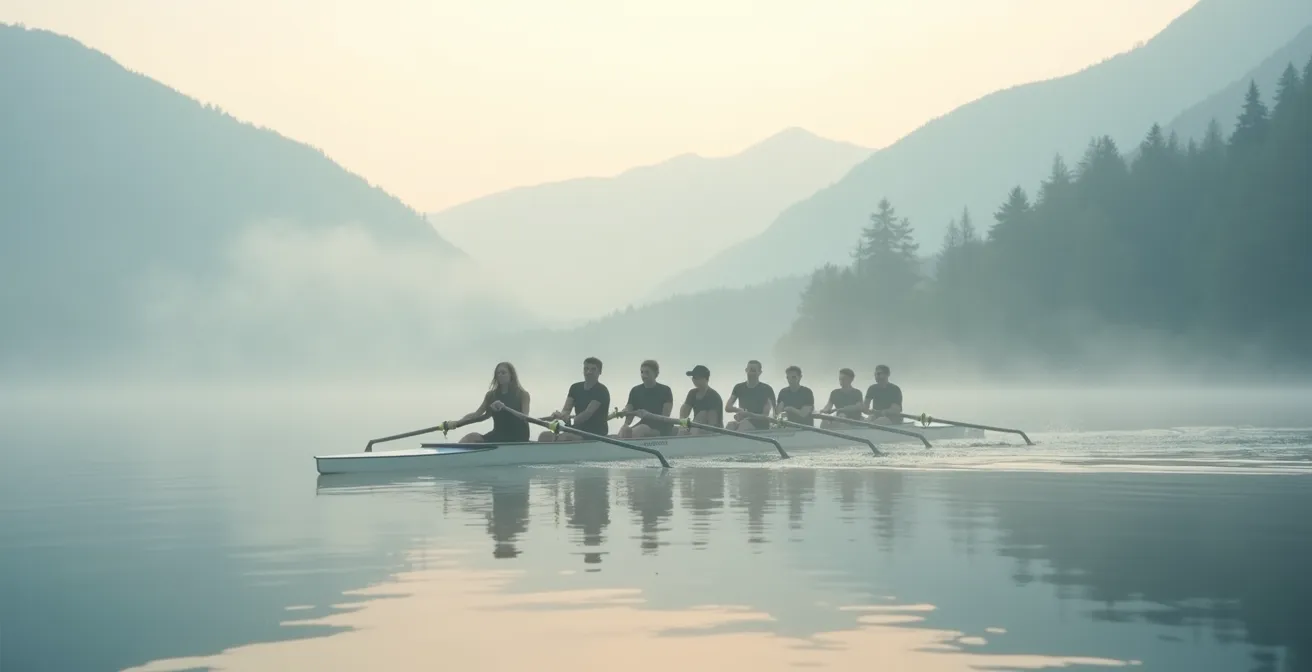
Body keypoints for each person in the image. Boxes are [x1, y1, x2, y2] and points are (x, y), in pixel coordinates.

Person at [456, 362, 531, 443]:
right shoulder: (491, 395)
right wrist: (457, 422)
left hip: (518, 435)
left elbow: (525, 417)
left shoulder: (523, 395)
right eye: (498, 373)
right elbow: (477, 415)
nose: (500, 375)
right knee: (470, 438)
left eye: (503, 373)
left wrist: (505, 408)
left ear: (511, 375)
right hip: (499, 434)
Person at [539, 356, 610, 442]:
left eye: (593, 369)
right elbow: (566, 410)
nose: (588, 372)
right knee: (544, 436)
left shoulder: (601, 390)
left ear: (600, 372)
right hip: (576, 429)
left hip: (594, 433)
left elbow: (586, 414)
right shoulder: (575, 387)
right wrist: (561, 416)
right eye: (586, 369)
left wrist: (568, 421)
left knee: (564, 438)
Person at [618, 359, 675, 438]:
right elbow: (629, 410)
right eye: (642, 372)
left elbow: (665, 417)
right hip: (644, 425)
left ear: (656, 374)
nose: (643, 375)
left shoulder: (665, 390)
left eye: (647, 372)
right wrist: (625, 425)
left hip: (662, 428)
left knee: (641, 429)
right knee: (623, 432)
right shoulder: (635, 390)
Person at [725, 359, 776, 431]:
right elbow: (727, 407)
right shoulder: (738, 387)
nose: (751, 373)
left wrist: (748, 414)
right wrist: (739, 410)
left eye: (754, 371)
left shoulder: (766, 389)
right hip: (743, 420)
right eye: (750, 370)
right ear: (746, 370)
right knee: (730, 425)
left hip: (761, 423)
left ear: (760, 372)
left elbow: (765, 415)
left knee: (744, 424)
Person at [678, 364, 723, 434]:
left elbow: (713, 423)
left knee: (702, 414)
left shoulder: (713, 396)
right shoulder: (692, 393)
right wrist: (684, 427)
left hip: (714, 432)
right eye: (693, 377)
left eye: (696, 377)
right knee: (683, 409)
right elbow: (684, 412)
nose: (693, 379)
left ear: (705, 379)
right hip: (696, 427)